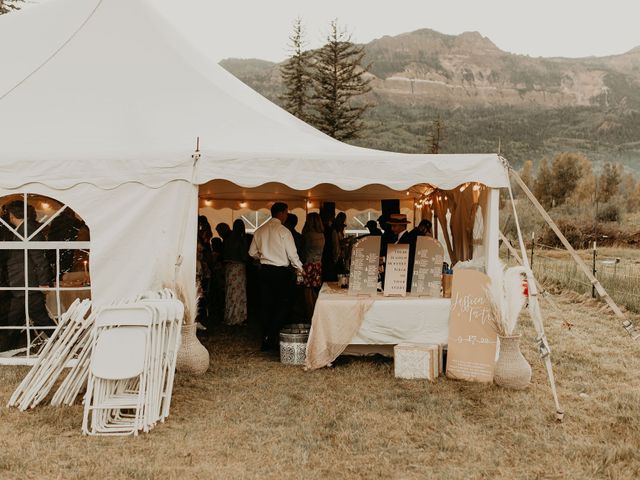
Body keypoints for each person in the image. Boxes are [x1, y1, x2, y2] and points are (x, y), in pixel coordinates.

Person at [249, 202, 303, 352]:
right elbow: (292, 255)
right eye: (286, 212)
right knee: (283, 305)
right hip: (281, 273)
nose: (287, 215)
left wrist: (263, 256)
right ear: (282, 213)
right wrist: (301, 269)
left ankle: (266, 338)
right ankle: (274, 336)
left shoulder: (259, 231)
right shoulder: (284, 231)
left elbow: (251, 253)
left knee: (266, 304)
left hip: (265, 271)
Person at [1, 201, 54, 351]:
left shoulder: (27, 230)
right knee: (15, 319)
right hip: (21, 284)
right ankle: (7, 351)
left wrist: (43, 282)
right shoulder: (24, 229)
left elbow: (39, 258)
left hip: (27, 284)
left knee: (40, 319)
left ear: (12, 215)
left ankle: (65, 343)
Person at [222, 219, 248, 325]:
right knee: (238, 293)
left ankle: (229, 316)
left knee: (230, 293)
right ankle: (238, 317)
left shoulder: (228, 239)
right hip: (238, 267)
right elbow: (244, 256)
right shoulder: (241, 240)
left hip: (229, 267)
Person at [301, 212, 325, 320]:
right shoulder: (321, 235)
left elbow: (303, 250)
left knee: (307, 291)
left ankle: (310, 314)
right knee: (313, 290)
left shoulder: (308, 235)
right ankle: (317, 312)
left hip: (308, 264)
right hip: (318, 264)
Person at [387, 213, 415, 292]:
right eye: (392, 226)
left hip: (404, 279)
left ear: (402, 226)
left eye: (394, 226)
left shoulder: (408, 240)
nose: (392, 228)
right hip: (396, 279)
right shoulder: (395, 238)